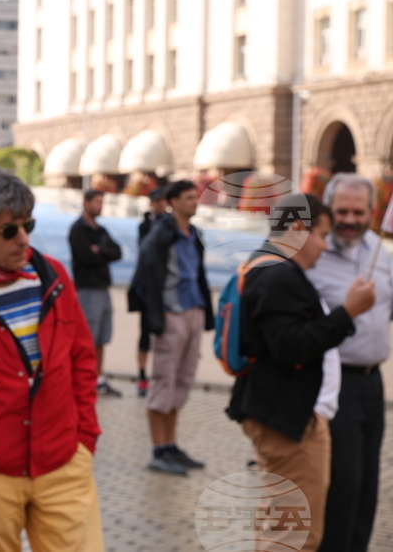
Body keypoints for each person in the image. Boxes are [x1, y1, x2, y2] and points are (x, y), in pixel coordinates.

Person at [0, 169, 103, 552]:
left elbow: (82, 359)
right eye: (9, 230)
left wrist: (85, 439)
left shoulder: (54, 278)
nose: (23, 237)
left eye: (28, 225)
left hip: (64, 461)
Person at [227, 193, 375, 551]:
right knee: (294, 536)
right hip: (286, 416)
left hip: (284, 411)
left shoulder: (272, 267)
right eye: (321, 235)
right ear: (297, 229)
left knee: (282, 527)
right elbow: (290, 346)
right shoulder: (276, 274)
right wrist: (347, 313)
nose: (325, 246)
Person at [305, 174, 393, 552]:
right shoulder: (314, 254)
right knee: (343, 483)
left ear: (371, 211)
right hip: (333, 384)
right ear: (329, 208)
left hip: (373, 384)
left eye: (359, 212)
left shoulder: (378, 249)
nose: (350, 220)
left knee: (368, 485)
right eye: (342, 211)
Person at [128, 180, 213, 475]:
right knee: (164, 380)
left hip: (193, 310)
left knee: (182, 380)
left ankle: (171, 445)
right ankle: (158, 450)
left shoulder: (194, 234)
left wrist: (206, 312)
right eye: (189, 197)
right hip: (171, 313)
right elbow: (147, 275)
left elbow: (199, 274)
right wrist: (156, 315)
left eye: (196, 197)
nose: (195, 202)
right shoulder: (161, 233)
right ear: (173, 202)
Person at [69, 189, 123, 396]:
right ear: (86, 203)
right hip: (87, 289)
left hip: (103, 288)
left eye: (102, 202)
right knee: (88, 337)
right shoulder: (78, 230)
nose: (100, 206)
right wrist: (104, 252)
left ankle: (97, 378)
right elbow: (86, 257)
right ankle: (84, 379)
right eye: (96, 202)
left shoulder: (101, 230)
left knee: (101, 336)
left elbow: (117, 252)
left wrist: (99, 250)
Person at [135, 186, 167, 397]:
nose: (161, 205)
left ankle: (160, 376)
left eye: (163, 200)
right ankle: (142, 375)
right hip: (148, 288)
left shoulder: (171, 224)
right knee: (145, 334)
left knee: (165, 335)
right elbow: (146, 249)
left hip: (165, 289)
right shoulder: (146, 225)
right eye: (158, 201)